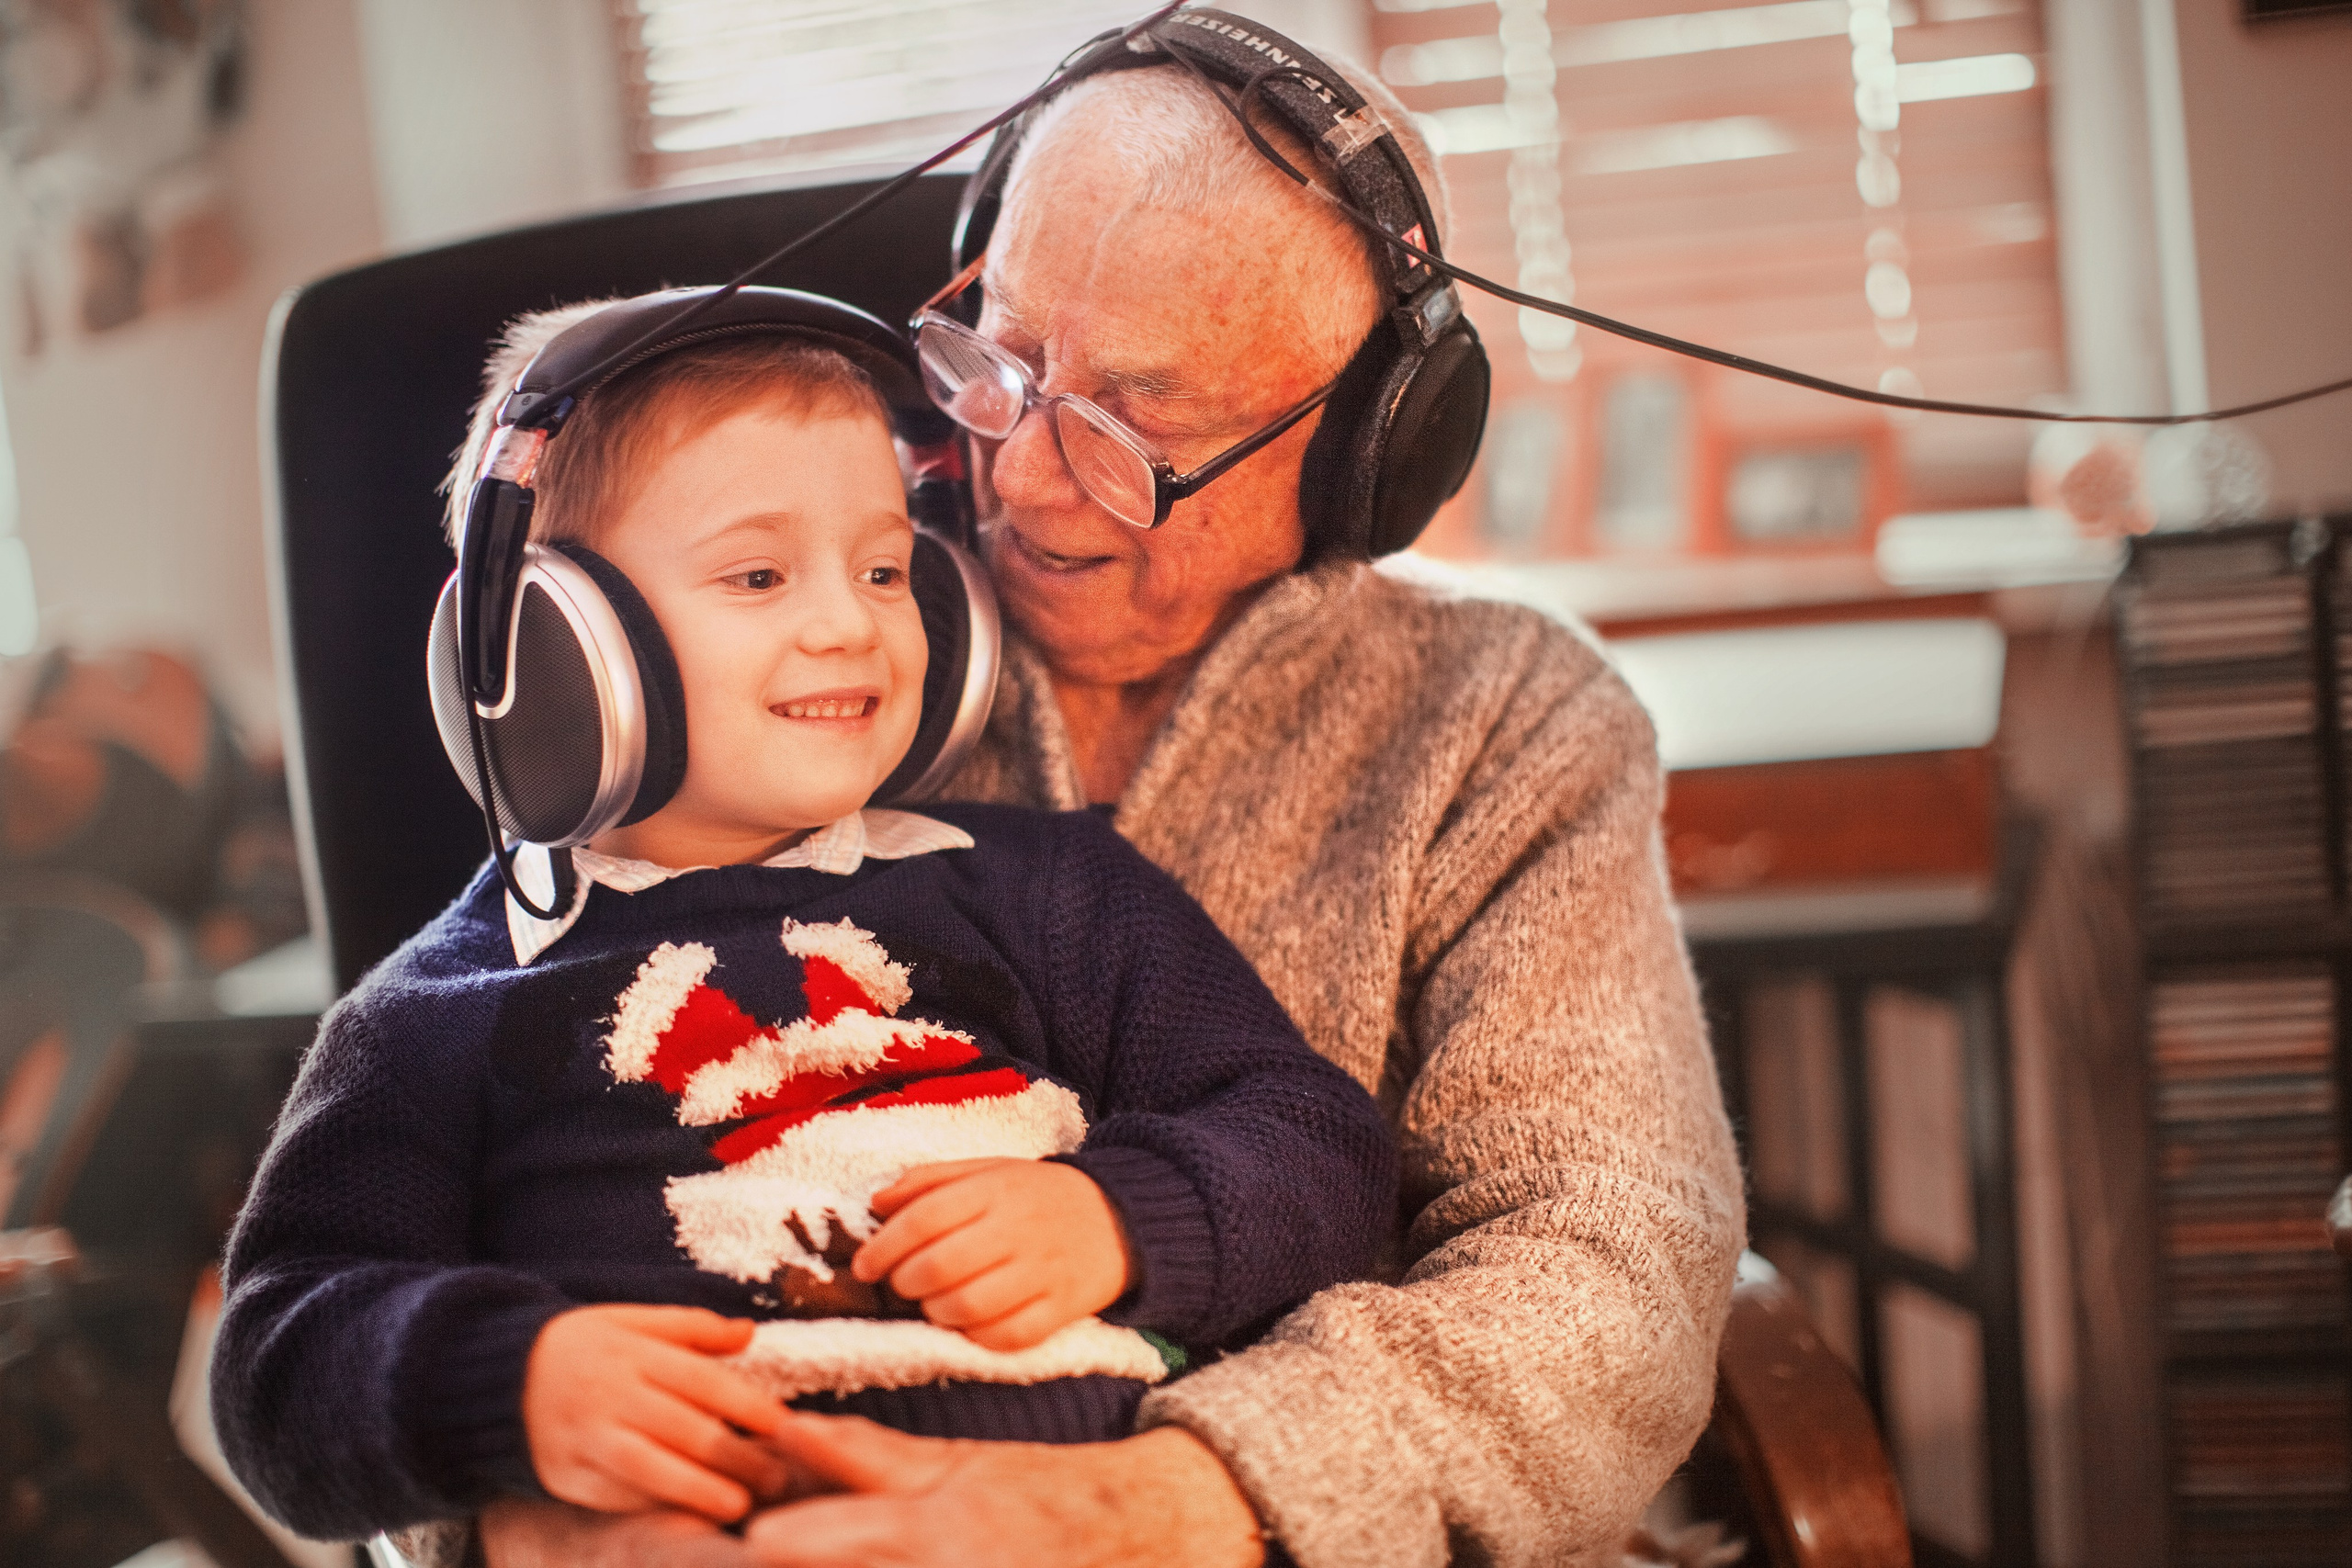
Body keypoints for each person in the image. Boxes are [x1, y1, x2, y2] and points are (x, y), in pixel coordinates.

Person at [479, 28, 1747, 1568]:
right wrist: (526, 1509)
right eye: (998, 364)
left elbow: (1603, 1263)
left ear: (1364, 452)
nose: (1015, 480)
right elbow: (422, 1230)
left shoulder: (1503, 724)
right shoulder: (752, 663)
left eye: (1132, 429)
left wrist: (1156, 1506)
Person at [208, 308, 1397, 1542]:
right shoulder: (438, 1014)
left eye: (884, 570)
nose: (851, 624)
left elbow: (1320, 1144)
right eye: (759, 576)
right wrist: (504, 1384)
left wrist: (1119, 1220)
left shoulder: (1052, 891)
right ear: (548, 644)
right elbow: (275, 1368)